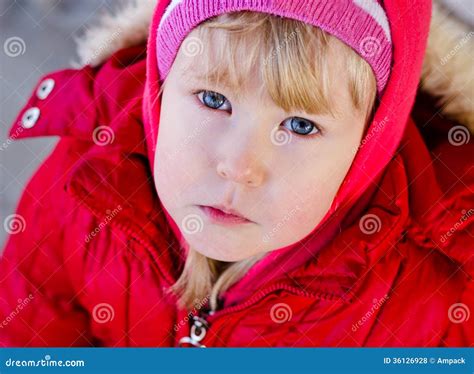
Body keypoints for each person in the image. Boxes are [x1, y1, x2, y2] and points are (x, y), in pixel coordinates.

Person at [1, 0, 472, 347]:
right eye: (213, 99)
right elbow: (28, 325)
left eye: (301, 125)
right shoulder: (87, 180)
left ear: (368, 147)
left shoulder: (429, 295)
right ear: (158, 94)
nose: (239, 166)